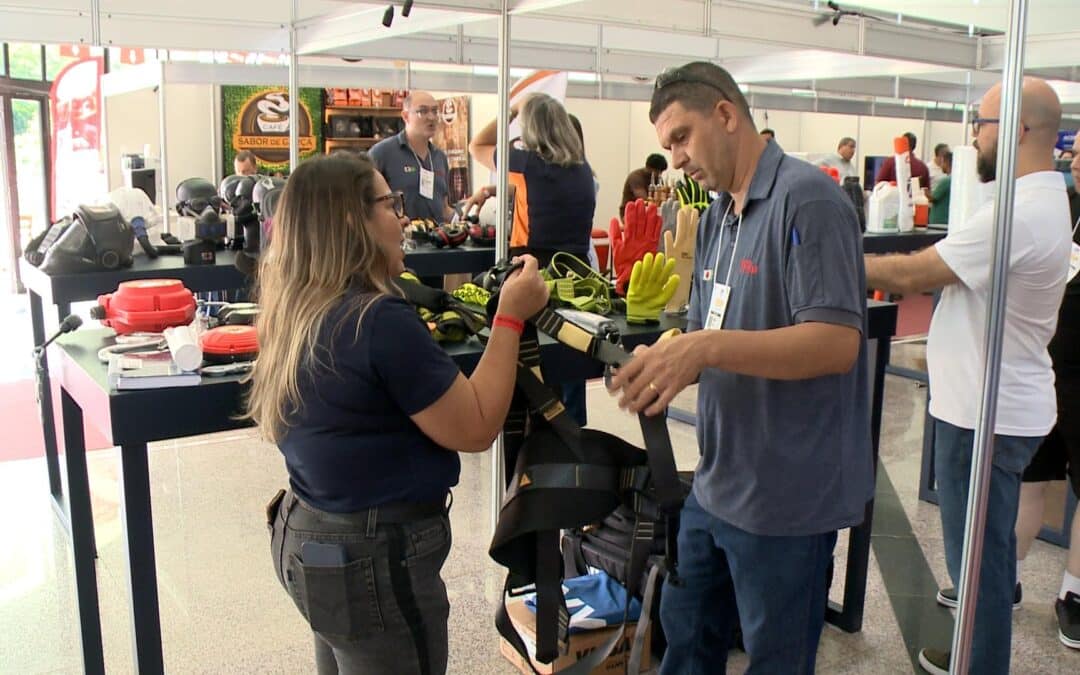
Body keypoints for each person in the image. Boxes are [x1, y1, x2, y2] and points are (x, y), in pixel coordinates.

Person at [609, 61, 871, 674]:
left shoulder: (810, 201)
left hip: (788, 499)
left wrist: (705, 349)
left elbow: (835, 342)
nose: (674, 158)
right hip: (718, 483)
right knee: (687, 639)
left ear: (726, 114)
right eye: (666, 145)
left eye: (680, 137)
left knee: (775, 658)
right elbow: (709, 328)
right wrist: (668, 354)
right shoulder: (720, 217)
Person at [248, 153, 549, 675]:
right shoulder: (378, 321)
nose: (404, 218)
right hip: (371, 557)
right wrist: (509, 317)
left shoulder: (293, 308)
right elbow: (476, 427)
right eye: (390, 204)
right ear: (352, 220)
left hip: (307, 534)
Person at [864, 77, 1071, 675]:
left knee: (977, 568)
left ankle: (979, 665)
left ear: (1017, 131)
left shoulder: (1020, 214)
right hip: (995, 407)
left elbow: (916, 272)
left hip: (984, 418)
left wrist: (834, 258)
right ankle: (971, 654)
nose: (975, 137)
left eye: (981, 125)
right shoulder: (1039, 201)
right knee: (986, 559)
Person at [466, 93, 596, 428]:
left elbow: (477, 145)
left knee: (533, 376)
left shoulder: (522, 164)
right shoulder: (584, 171)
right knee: (572, 367)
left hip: (532, 278)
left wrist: (511, 107)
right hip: (578, 279)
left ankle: (535, 448)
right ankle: (574, 445)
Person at [1011, 133, 1080, 651]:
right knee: (1030, 478)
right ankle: (1002, 579)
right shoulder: (1063, 207)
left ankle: (1073, 596)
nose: (1073, 159)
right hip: (1046, 369)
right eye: (1073, 151)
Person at [369, 91, 454, 223]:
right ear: (405, 116)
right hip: (400, 240)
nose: (431, 117)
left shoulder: (439, 157)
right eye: (423, 111)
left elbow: (444, 207)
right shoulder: (382, 153)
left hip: (437, 240)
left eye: (435, 111)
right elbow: (366, 205)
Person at [928, 151, 953, 226]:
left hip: (939, 222)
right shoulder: (957, 180)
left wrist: (923, 191)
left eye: (942, 163)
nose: (941, 166)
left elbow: (933, 198)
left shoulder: (946, 181)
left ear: (947, 163)